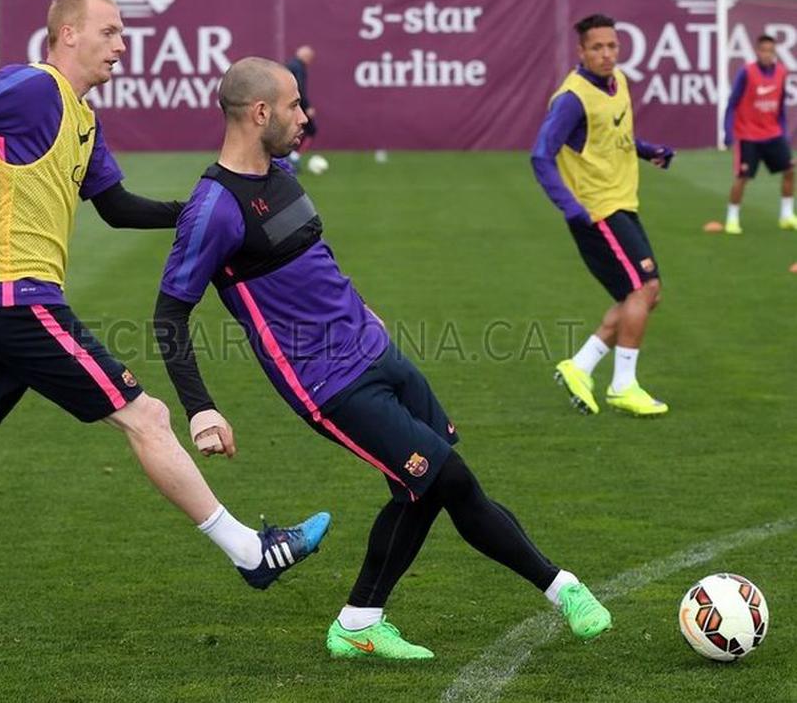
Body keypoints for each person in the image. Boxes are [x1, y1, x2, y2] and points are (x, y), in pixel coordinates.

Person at [0, 0, 329, 600]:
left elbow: (116, 207)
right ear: (67, 35)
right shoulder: (34, 88)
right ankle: (250, 552)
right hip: (15, 296)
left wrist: (204, 210)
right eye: (109, 32)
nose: (121, 46)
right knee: (147, 415)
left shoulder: (82, 117)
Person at [152, 56, 611, 660]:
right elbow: (169, 315)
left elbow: (313, 258)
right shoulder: (215, 208)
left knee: (425, 487)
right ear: (260, 112)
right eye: (293, 105)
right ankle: (562, 588)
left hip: (376, 351)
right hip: (328, 382)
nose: (304, 115)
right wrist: (201, 409)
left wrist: (362, 307)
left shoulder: (280, 172)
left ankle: (360, 620)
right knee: (448, 477)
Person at [531, 14, 674, 418]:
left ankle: (579, 366)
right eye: (597, 47)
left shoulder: (618, 82)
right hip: (597, 212)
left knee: (644, 294)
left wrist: (648, 151)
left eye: (612, 46)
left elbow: (615, 136)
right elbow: (540, 156)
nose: (606, 54)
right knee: (644, 290)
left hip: (622, 203)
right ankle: (623, 386)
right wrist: (572, 208)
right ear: (581, 51)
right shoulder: (572, 98)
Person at [722, 34, 795, 234]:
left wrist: (783, 132)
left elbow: (780, 105)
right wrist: (727, 132)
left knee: (789, 170)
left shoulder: (782, 72)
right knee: (743, 176)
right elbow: (732, 103)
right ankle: (732, 219)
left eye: (770, 51)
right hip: (748, 135)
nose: (767, 54)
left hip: (773, 133)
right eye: (763, 50)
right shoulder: (747, 72)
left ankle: (787, 215)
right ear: (757, 51)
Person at [284, 45, 316, 169]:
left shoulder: (290, 65)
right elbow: (299, 89)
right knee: (311, 130)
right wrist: (307, 107)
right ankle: (293, 157)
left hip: (286, 104)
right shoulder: (299, 68)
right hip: (296, 105)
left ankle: (289, 157)